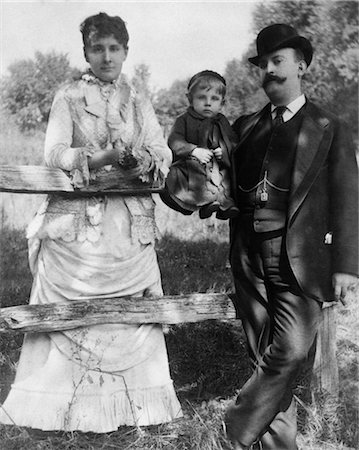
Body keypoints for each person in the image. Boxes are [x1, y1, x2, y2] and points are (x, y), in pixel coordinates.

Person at [0, 12, 182, 432]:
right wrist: (98, 158)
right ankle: (54, 406)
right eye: (97, 48)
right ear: (85, 52)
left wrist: (144, 158)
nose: (106, 57)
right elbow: (55, 152)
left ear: (125, 52)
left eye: (114, 49)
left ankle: (137, 406)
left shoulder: (137, 98)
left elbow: (161, 148)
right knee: (69, 310)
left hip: (127, 223)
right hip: (79, 227)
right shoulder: (67, 95)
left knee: (129, 312)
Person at [224, 24, 358, 450]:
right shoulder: (245, 127)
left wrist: (347, 266)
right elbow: (222, 185)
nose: (269, 70)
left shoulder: (329, 126)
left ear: (300, 66)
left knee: (292, 352)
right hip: (249, 257)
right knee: (264, 357)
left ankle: (233, 431)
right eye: (263, 63)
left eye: (277, 61)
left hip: (300, 259)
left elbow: (348, 200)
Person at [161, 70, 239, 219]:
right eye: (202, 97)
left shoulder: (221, 121)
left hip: (216, 165)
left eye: (214, 99)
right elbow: (174, 140)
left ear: (222, 103)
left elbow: (232, 140)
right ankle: (205, 204)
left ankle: (224, 204)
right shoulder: (183, 120)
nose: (208, 103)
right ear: (190, 99)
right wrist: (193, 150)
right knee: (192, 174)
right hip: (192, 165)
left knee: (225, 177)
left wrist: (223, 150)